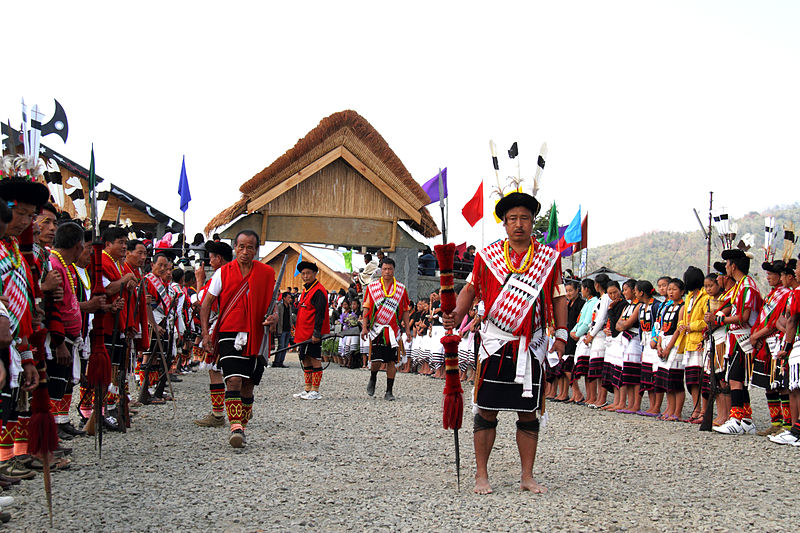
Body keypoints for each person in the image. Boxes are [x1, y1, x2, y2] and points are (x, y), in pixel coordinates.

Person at [442, 191, 567, 495]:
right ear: (505, 223)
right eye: (513, 219)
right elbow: (470, 291)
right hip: (496, 344)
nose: (519, 224)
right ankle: (481, 475)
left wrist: (561, 334)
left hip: (531, 344)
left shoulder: (549, 259)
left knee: (528, 413)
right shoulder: (487, 257)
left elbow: (558, 297)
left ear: (532, 222)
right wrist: (456, 315)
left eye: (525, 218)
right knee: (486, 410)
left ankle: (527, 475)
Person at [201, 230, 276, 448]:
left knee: (248, 385)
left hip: (257, 333)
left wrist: (273, 318)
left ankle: (241, 420)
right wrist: (206, 334)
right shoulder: (222, 273)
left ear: (256, 250)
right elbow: (206, 305)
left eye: (250, 247)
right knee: (233, 379)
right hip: (229, 332)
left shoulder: (267, 273)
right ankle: (236, 427)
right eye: (241, 247)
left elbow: (274, 307)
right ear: (235, 248)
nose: (245, 251)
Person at [713, 249, 762, 435]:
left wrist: (721, 320)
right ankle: (746, 420)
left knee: (735, 379)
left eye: (726, 264)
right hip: (736, 337)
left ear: (733, 266)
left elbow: (744, 316)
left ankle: (735, 419)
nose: (726, 268)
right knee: (737, 378)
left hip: (743, 337)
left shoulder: (746, 287)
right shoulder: (742, 285)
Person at [46, 222, 87, 440]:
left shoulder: (62, 265)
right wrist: (59, 341)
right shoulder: (54, 264)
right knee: (54, 383)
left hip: (69, 336)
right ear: (79, 246)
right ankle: (52, 431)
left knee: (64, 381)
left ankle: (60, 422)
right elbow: (54, 307)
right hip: (58, 338)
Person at [193, 240, 232, 427]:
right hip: (232, 326)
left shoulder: (220, 275)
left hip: (219, 326)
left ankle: (218, 414)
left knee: (215, 371)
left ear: (218, 258)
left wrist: (199, 280)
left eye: (211, 257)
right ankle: (237, 416)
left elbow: (203, 300)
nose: (209, 261)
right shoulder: (235, 274)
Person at [750, 260, 791, 436]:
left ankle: (787, 424)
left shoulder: (785, 294)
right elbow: (763, 319)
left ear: (782, 276)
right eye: (767, 275)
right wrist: (758, 336)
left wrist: (756, 336)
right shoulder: (772, 294)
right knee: (769, 385)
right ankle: (775, 421)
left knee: (780, 384)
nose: (768, 278)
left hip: (777, 342)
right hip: (766, 343)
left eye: (771, 274)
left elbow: (775, 322)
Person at [361, 257, 411, 401]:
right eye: (384, 269)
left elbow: (405, 310)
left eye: (390, 269)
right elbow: (366, 308)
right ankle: (373, 377)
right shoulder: (373, 288)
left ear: (394, 270)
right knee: (376, 359)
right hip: (377, 329)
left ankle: (389, 391)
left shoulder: (401, 289)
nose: (387, 271)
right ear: (381, 270)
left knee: (391, 361)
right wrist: (364, 327)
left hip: (393, 330)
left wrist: (407, 330)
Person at [292, 262, 330, 400]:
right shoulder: (306, 290)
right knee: (305, 359)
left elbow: (320, 314)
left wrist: (317, 333)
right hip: (303, 333)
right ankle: (307, 389)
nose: (305, 276)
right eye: (303, 273)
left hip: (312, 333)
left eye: (308, 273)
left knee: (315, 359)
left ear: (315, 274)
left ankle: (315, 390)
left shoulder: (318, 291)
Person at [676, 267, 709, 423]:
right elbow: (684, 317)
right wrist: (683, 325)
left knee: (700, 379)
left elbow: (706, 320)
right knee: (691, 379)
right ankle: (696, 408)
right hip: (689, 342)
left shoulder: (704, 296)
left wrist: (691, 326)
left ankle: (704, 410)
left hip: (699, 341)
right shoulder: (689, 297)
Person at [568, 279, 597, 404]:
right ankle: (588, 396)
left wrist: (577, 333)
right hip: (579, 336)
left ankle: (592, 396)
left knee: (588, 370)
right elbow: (580, 321)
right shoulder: (587, 302)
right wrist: (573, 332)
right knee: (583, 369)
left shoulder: (594, 302)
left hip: (586, 337)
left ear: (586, 289)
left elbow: (587, 322)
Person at [583, 274, 611, 408]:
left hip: (600, 335)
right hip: (595, 334)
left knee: (599, 368)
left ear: (597, 285)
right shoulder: (601, 298)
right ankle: (598, 397)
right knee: (596, 369)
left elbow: (601, 319)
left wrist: (591, 334)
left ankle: (602, 398)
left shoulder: (606, 298)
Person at [273, 292, 294, 368]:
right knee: (281, 346)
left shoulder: (289, 306)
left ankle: (281, 361)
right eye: (288, 298)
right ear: (284, 298)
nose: (290, 299)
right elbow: (278, 318)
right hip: (281, 329)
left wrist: (291, 326)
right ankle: (276, 362)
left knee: (285, 347)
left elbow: (290, 317)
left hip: (288, 329)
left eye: (290, 298)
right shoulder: (280, 306)